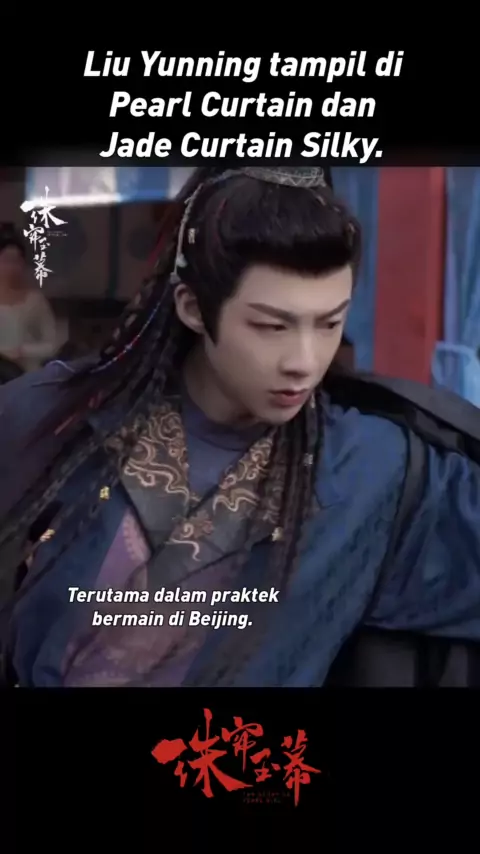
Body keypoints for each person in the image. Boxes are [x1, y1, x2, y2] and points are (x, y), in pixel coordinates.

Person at [0, 166, 479, 689]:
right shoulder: (55, 415)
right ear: (193, 308)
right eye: (271, 326)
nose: (304, 361)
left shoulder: (368, 467)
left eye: (329, 323)